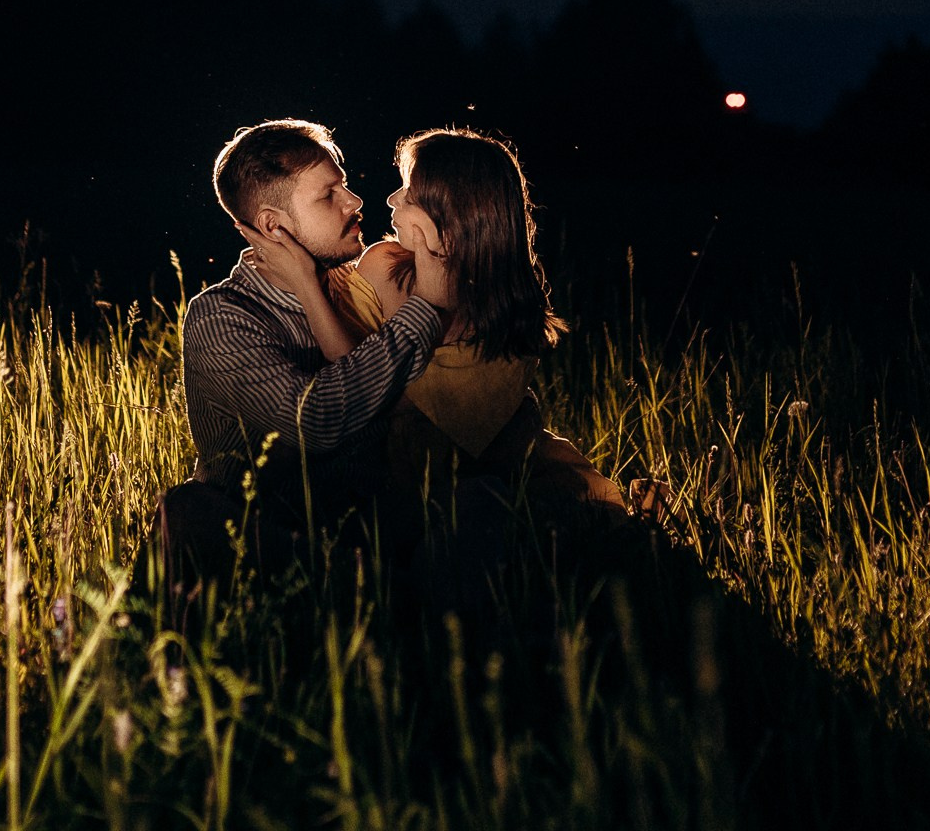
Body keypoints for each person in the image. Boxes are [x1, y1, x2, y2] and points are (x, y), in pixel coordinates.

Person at [160, 118, 458, 594]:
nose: (355, 202)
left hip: (366, 523)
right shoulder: (223, 316)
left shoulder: (353, 286)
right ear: (273, 227)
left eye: (345, 185)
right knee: (188, 512)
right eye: (329, 194)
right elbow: (315, 421)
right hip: (265, 535)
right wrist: (427, 308)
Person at [309, 127, 628, 543]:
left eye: (408, 192)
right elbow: (353, 374)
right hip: (390, 471)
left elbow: (446, 413)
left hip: (496, 463)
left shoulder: (507, 309)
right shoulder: (384, 266)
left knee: (536, 518)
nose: (391, 200)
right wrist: (304, 280)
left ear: (451, 214)